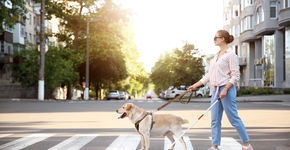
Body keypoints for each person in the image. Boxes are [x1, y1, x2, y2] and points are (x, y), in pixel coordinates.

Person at [187, 30, 253, 150]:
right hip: (215, 90)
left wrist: (226, 88)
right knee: (215, 120)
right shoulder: (215, 57)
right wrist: (195, 85)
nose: (214, 40)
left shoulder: (231, 55)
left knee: (233, 118)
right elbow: (208, 76)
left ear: (222, 39)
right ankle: (215, 146)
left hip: (226, 89)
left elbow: (236, 75)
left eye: (216, 38)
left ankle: (246, 145)